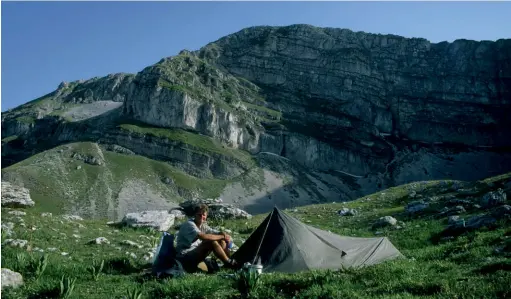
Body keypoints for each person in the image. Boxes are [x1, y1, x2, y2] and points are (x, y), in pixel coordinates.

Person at [175, 204, 238, 272]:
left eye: (203, 215)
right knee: (211, 242)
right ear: (195, 215)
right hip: (184, 256)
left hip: (194, 253)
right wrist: (222, 236)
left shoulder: (203, 226)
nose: (202, 217)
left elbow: (214, 232)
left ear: (206, 216)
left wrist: (223, 235)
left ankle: (228, 260)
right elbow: (203, 237)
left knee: (221, 240)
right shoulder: (189, 224)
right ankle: (228, 263)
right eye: (199, 215)